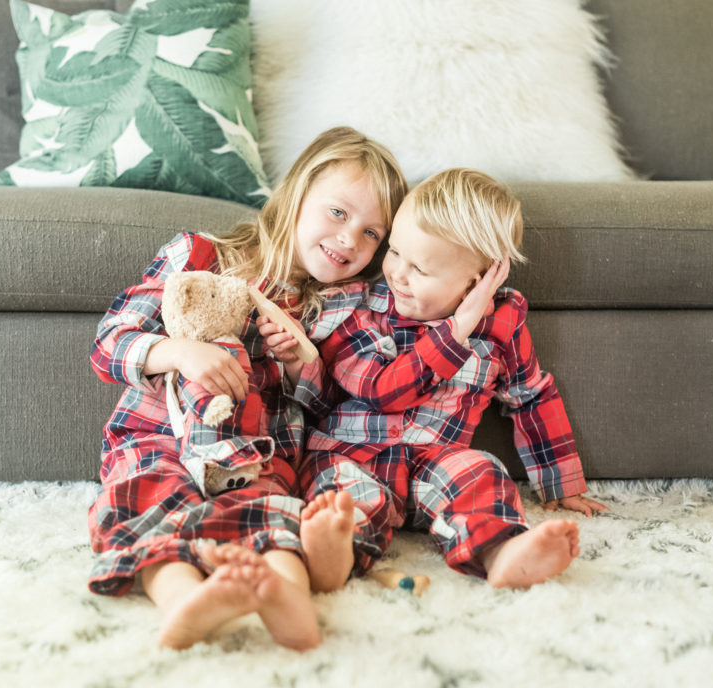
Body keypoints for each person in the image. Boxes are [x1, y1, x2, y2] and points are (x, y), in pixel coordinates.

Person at [86, 127, 408, 650]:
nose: (351, 240)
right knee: (147, 497)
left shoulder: (348, 306)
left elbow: (344, 415)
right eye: (338, 213)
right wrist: (178, 351)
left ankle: (286, 599)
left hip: (258, 452)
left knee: (273, 513)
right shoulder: (200, 255)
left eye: (373, 233)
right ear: (297, 195)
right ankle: (184, 602)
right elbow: (109, 343)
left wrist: (307, 367)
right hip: (159, 435)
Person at [283, 168, 608, 593]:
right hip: (350, 452)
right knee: (343, 496)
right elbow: (382, 391)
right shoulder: (358, 307)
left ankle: (501, 552)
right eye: (395, 251)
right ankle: (336, 551)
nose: (397, 273)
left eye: (419, 268)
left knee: (481, 472)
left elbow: (530, 397)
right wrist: (454, 333)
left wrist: (561, 483)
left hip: (432, 464)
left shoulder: (502, 326)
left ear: (475, 283)